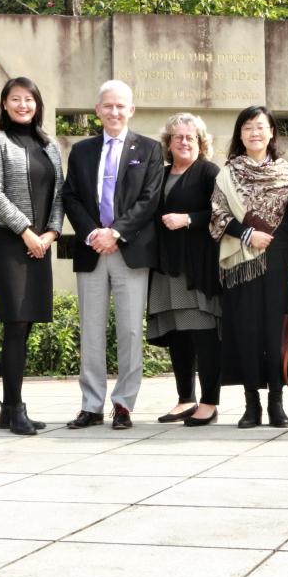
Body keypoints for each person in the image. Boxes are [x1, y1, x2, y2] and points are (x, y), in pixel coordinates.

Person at [62, 79, 163, 430]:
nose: (114, 111)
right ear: (97, 110)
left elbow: (150, 199)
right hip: (91, 248)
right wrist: (94, 233)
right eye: (108, 105)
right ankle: (91, 405)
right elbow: (70, 196)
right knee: (90, 329)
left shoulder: (149, 149)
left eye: (121, 106)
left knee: (130, 331)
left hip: (129, 249)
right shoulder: (82, 151)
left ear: (131, 110)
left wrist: (116, 232)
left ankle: (123, 404)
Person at [211, 105, 288, 429]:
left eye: (260, 126)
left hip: (280, 261)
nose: (254, 132)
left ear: (271, 132)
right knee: (246, 331)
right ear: (240, 134)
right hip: (242, 263)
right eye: (248, 127)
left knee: (276, 332)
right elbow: (218, 215)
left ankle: (276, 403)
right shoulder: (227, 174)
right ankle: (251, 404)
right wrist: (247, 234)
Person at [0, 77, 63, 436]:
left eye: (29, 99)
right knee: (15, 323)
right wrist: (26, 231)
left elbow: (59, 195)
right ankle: (15, 409)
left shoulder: (50, 145)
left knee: (26, 325)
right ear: (4, 104)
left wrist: (50, 234)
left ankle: (9, 407)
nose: (22, 105)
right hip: (9, 243)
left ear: (37, 104)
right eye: (15, 99)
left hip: (40, 244)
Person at [148, 113, 222, 427]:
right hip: (166, 267)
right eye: (177, 137)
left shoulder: (208, 172)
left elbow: (222, 213)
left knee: (203, 334)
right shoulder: (161, 174)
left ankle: (209, 402)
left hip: (197, 266)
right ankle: (185, 399)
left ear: (200, 142)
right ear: (168, 143)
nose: (184, 142)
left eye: (190, 137)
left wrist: (188, 218)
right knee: (177, 335)